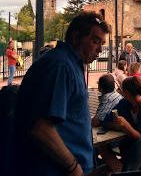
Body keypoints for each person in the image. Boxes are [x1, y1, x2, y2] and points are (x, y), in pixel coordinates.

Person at [11, 11, 110, 175]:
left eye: (102, 43)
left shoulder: (70, 64)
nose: (100, 50)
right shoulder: (60, 66)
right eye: (95, 41)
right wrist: (73, 168)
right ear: (76, 37)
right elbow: (41, 128)